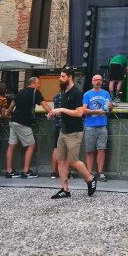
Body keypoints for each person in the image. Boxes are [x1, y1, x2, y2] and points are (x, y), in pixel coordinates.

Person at [48, 67, 97, 200]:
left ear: (70, 77)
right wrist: (53, 113)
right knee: (61, 160)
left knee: (73, 161)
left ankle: (90, 178)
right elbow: (63, 111)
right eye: (60, 76)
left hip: (74, 132)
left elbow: (79, 113)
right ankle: (65, 190)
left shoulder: (77, 93)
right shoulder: (64, 92)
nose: (60, 78)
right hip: (63, 131)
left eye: (63, 76)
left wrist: (62, 109)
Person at [5, 76, 52, 179]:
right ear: (33, 84)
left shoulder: (20, 92)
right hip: (23, 122)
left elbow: (12, 104)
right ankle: (26, 171)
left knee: (11, 145)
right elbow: (45, 105)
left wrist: (7, 114)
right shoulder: (35, 92)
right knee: (31, 145)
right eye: (38, 83)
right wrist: (53, 113)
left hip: (13, 121)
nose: (39, 85)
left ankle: (9, 171)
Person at [83, 74, 112, 181]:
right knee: (89, 150)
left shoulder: (106, 93)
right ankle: (89, 173)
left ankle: (100, 172)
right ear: (92, 81)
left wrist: (111, 106)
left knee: (101, 149)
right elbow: (83, 110)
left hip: (102, 125)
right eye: (96, 80)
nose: (98, 81)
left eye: (100, 80)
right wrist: (96, 111)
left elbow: (109, 108)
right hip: (90, 125)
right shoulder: (87, 94)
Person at [50, 88, 63, 179]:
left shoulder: (56, 97)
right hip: (67, 126)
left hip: (57, 125)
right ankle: (66, 172)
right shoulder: (70, 97)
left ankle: (54, 172)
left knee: (56, 148)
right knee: (67, 150)